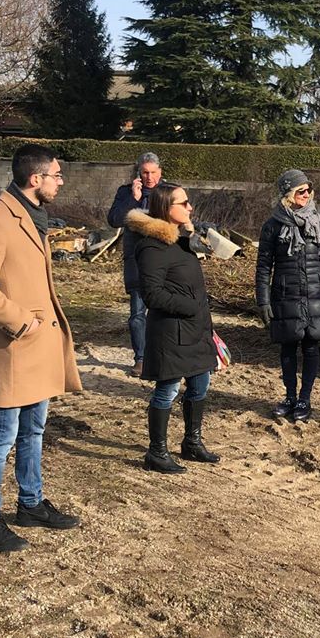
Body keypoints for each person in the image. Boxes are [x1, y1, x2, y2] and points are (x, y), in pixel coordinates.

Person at [0, 144, 82, 553]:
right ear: (36, 179)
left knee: (34, 429)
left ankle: (30, 503)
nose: (60, 182)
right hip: (17, 345)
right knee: (1, 436)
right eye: (57, 175)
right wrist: (20, 321)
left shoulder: (34, 215)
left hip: (39, 346)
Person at [127, 184, 219, 473]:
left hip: (197, 329)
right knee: (167, 390)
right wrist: (191, 306)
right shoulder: (152, 246)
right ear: (167, 207)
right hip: (171, 332)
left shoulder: (182, 241)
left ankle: (192, 443)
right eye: (185, 203)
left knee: (200, 385)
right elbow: (152, 295)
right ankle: (156, 452)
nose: (190, 207)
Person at [255, 169, 320, 422]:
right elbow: (264, 266)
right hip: (285, 294)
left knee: (311, 346)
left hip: (314, 294)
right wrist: (262, 300)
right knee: (287, 348)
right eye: (300, 191)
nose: (306, 195)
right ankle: (289, 397)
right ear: (288, 194)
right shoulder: (272, 226)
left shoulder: (318, 222)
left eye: (308, 190)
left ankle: (305, 399)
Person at [107, 152, 169, 378]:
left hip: (163, 261)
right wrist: (133, 198)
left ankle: (163, 356)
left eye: (153, 172)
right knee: (137, 314)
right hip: (136, 260)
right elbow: (114, 219)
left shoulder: (169, 192)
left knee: (164, 312)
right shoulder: (126, 192)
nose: (149, 177)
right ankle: (141, 358)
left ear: (160, 172)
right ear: (138, 173)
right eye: (145, 172)